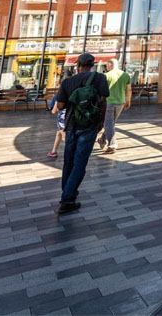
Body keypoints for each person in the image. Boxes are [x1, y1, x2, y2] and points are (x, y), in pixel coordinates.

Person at [51, 52, 109, 214]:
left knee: (68, 160)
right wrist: (101, 123)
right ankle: (68, 197)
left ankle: (68, 193)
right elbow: (103, 103)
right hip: (89, 125)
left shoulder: (68, 82)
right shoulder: (100, 79)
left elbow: (61, 106)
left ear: (78, 65)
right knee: (80, 162)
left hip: (71, 125)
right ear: (93, 64)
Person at [98, 59, 131, 154]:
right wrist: (128, 100)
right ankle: (102, 140)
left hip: (108, 103)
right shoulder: (125, 75)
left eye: (106, 65)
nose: (106, 67)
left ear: (110, 64)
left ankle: (112, 146)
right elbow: (128, 90)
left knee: (108, 124)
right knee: (110, 124)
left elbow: (101, 91)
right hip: (121, 103)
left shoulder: (106, 76)